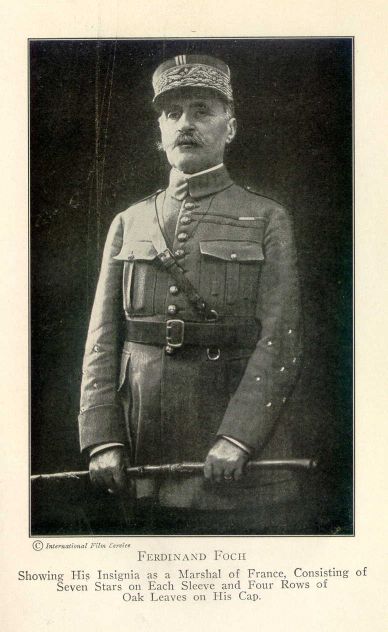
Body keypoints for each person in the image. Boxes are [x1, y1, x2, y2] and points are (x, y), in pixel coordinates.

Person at [78, 54, 305, 534]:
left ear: (231, 127)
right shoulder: (128, 222)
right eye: (172, 113)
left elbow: (281, 340)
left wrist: (239, 438)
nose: (185, 124)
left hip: (228, 452)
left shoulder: (267, 218)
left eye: (202, 110)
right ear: (159, 132)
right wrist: (101, 439)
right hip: (141, 448)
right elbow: (102, 340)